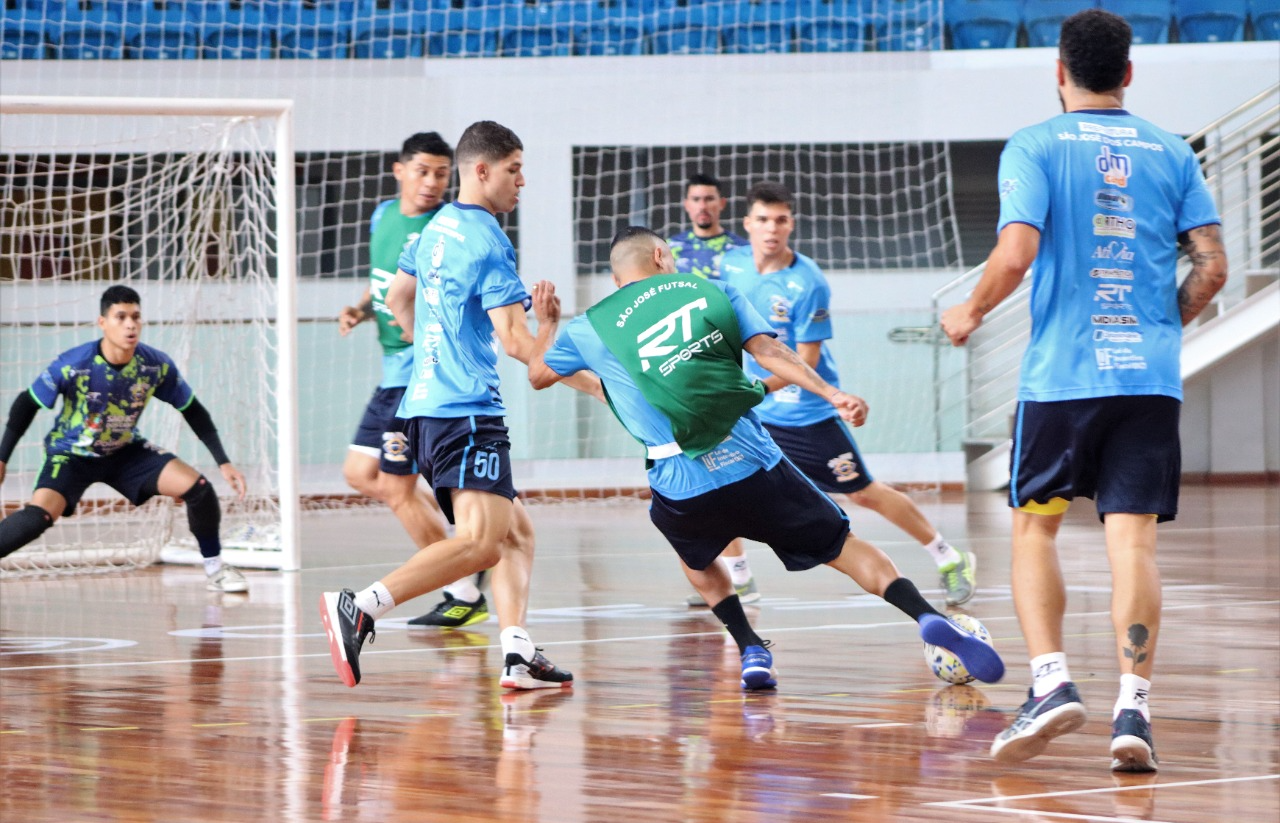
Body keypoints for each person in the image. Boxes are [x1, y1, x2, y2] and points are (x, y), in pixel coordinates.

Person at [527, 226, 1005, 691]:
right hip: (750, 460)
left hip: (679, 481)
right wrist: (831, 392)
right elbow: (769, 351)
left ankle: (750, 646)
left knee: (694, 559)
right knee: (843, 545)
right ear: (660, 258)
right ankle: (929, 616)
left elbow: (538, 374)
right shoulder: (710, 290)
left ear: (615, 279)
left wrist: (549, 322)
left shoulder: (591, 326)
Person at [940, 9, 1227, 772]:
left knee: (1035, 525)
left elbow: (1017, 248)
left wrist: (968, 310)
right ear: (1129, 73)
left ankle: (1051, 683)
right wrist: (1162, 328)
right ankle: (1134, 704)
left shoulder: (1036, 143)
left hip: (1063, 378)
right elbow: (1213, 266)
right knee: (1132, 539)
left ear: (1059, 73)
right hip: (1148, 379)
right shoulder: (1171, 150)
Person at [319, 120, 603, 691]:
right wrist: (595, 376)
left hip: (425, 404)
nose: (522, 181)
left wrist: (431, 353)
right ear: (483, 170)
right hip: (468, 410)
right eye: (514, 169)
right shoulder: (489, 240)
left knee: (516, 534)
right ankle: (363, 605)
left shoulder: (431, 229)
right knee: (480, 543)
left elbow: (397, 298)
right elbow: (522, 349)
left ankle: (518, 652)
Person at [721, 182, 978, 607]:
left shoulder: (808, 283)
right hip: (753, 411)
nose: (772, 229)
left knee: (861, 491)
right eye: (763, 220)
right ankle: (740, 579)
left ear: (792, 225)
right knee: (724, 485)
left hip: (804, 414)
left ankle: (948, 558)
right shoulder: (730, 268)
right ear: (748, 224)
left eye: (781, 220)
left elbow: (804, 357)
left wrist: (758, 389)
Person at [0, 285, 250, 592]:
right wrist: (2, 457)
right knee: (38, 516)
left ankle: (215, 570)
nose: (130, 324)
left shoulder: (154, 365)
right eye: (121, 317)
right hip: (71, 454)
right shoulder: (73, 364)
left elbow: (193, 410)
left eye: (136, 316)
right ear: (103, 322)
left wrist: (223, 462)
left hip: (124, 451)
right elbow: (26, 405)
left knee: (198, 489)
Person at [336, 131, 489, 629]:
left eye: (442, 174)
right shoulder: (383, 216)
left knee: (396, 487)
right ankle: (463, 557)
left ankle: (462, 586)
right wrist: (361, 308)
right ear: (399, 170)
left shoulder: (443, 230)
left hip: (415, 373)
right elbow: (387, 280)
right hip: (391, 372)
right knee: (360, 475)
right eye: (423, 171)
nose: (432, 182)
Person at [666, 172, 756, 607]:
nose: (702, 205)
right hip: (679, 377)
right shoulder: (669, 251)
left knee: (728, 470)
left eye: (710, 199)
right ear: (687, 204)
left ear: (722, 205)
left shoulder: (741, 254)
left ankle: (738, 576)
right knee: (706, 472)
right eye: (696, 199)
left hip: (725, 370)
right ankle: (734, 575)